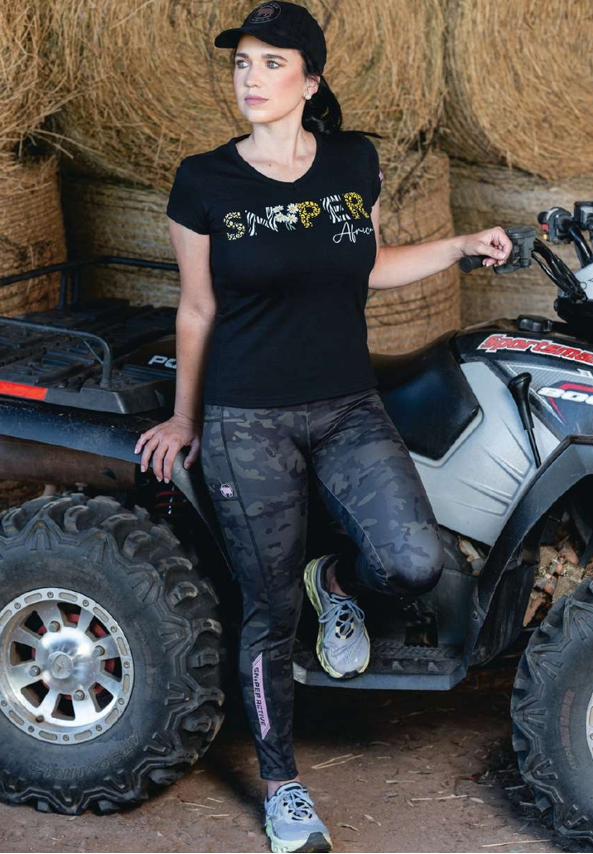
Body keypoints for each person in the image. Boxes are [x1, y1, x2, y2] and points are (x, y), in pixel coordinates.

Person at [134, 3, 512, 851]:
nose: (251, 78)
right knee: (267, 614)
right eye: (242, 63)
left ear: (310, 80)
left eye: (272, 64)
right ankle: (282, 788)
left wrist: (459, 245)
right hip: (246, 420)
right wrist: (184, 418)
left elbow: (368, 266)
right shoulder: (203, 181)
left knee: (412, 562)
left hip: (346, 406)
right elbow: (196, 309)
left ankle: (334, 583)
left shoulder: (351, 162)